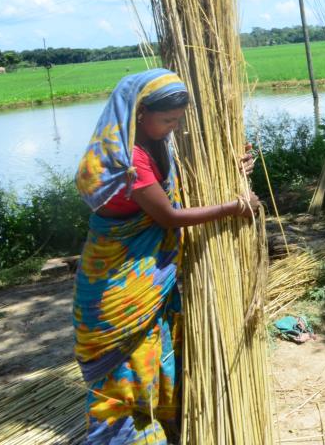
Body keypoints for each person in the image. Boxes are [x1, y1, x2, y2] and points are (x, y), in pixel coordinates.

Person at [72, 68, 258, 444]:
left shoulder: (154, 145)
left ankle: (161, 425)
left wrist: (230, 170)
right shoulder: (130, 159)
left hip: (145, 279)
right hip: (117, 286)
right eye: (167, 120)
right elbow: (169, 215)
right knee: (124, 374)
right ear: (140, 113)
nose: (172, 128)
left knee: (157, 351)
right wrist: (234, 207)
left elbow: (178, 188)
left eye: (177, 120)